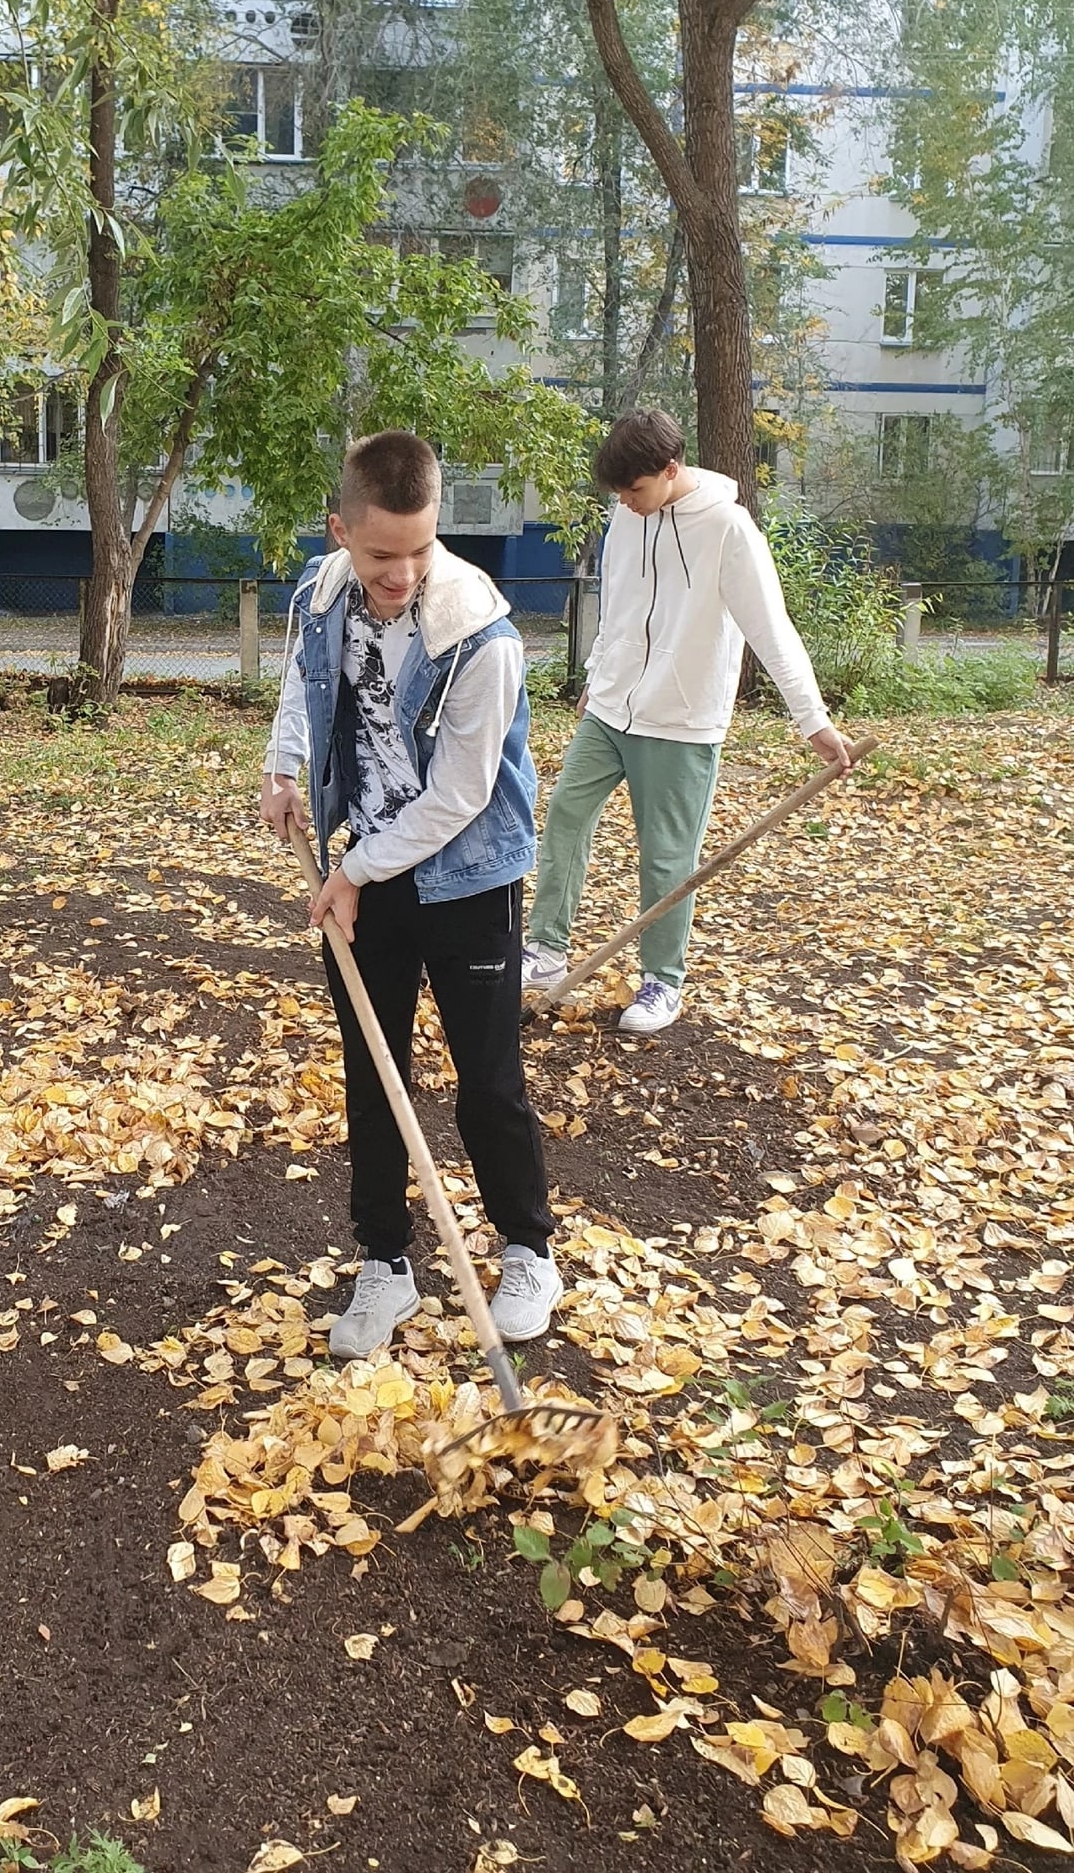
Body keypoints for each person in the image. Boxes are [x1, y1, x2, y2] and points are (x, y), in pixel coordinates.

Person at [260, 430, 560, 1362]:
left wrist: (351, 872)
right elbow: (303, 690)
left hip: (469, 876)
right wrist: (282, 770)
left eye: (420, 549)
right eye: (381, 553)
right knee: (373, 1075)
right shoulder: (320, 594)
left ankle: (528, 1250)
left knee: (488, 1082)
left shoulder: (481, 633)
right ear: (340, 528)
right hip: (368, 871)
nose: (401, 574)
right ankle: (384, 1268)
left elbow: (460, 795)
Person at [521, 408, 853, 1033]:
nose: (626, 501)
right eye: (617, 491)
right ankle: (544, 950)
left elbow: (770, 629)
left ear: (671, 469)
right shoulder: (627, 513)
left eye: (636, 489)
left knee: (667, 856)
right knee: (565, 813)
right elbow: (617, 603)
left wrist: (813, 720)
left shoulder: (728, 529)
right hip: (614, 706)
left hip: (681, 720)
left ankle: (660, 982)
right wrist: (597, 675)